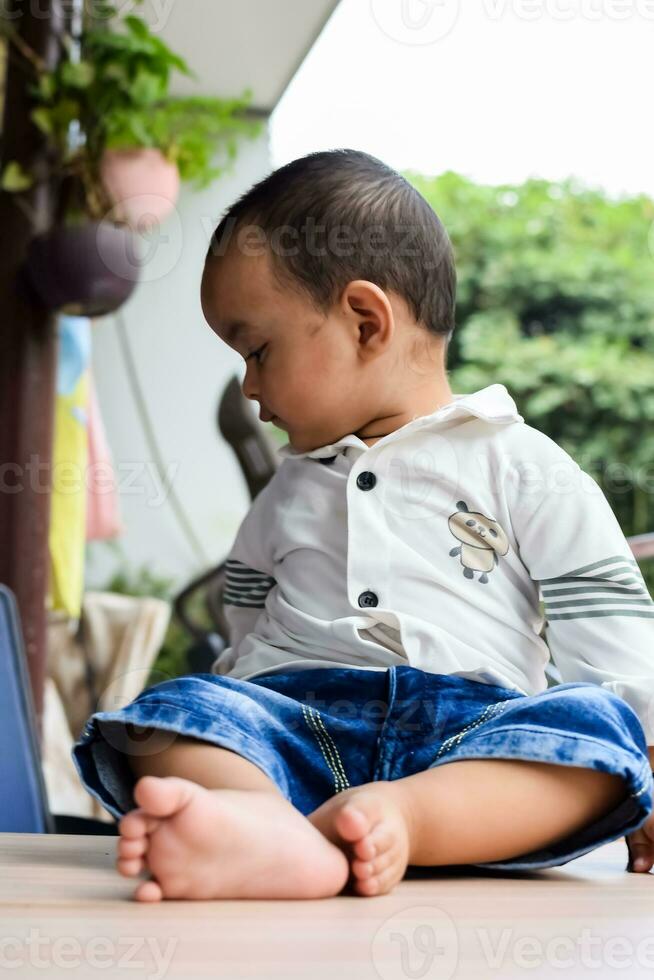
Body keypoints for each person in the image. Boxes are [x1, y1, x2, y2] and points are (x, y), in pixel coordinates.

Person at [72, 149, 654, 903]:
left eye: (256, 350)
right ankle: (264, 829)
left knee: (602, 734)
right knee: (166, 716)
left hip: (470, 747)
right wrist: (232, 725)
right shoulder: (287, 490)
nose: (249, 386)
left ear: (365, 322)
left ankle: (401, 818)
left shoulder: (520, 464)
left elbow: (606, 625)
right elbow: (249, 625)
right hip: (296, 726)